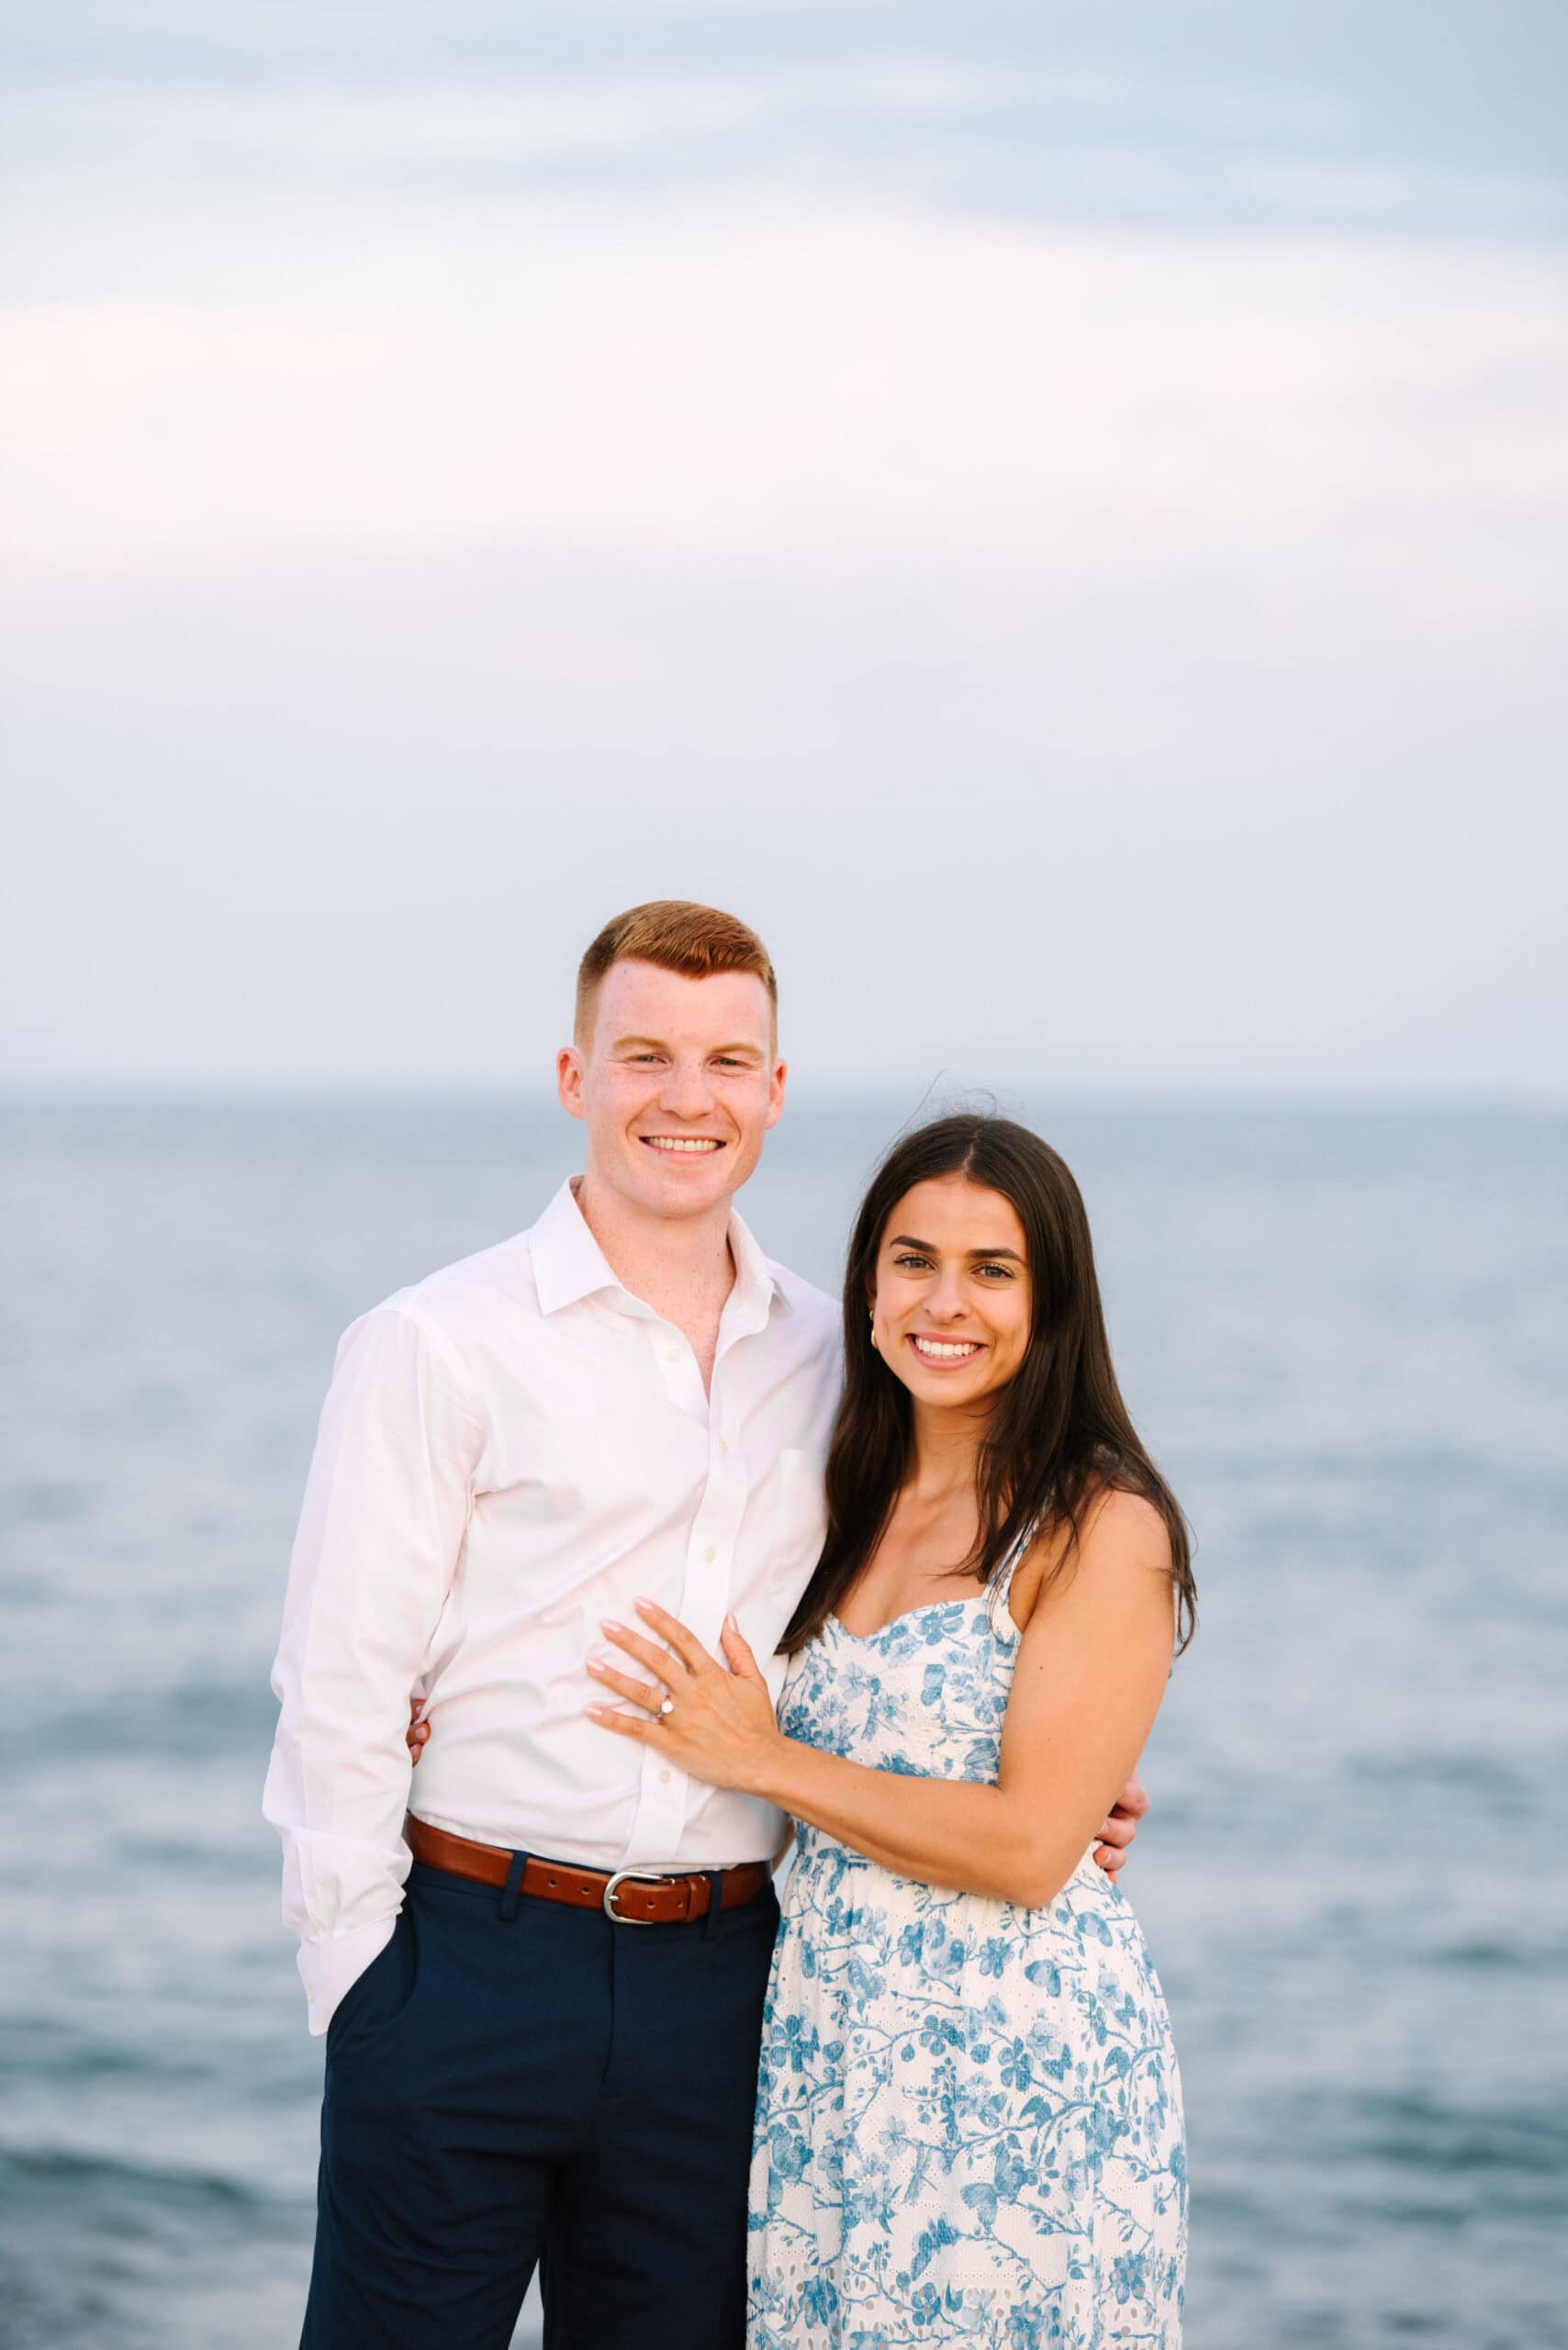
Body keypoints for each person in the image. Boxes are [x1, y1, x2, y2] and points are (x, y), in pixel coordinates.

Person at [264, 901, 1148, 2350]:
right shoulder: (440, 1341)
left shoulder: (840, 1351)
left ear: (776, 1091)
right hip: (467, 1967)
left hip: (731, 1994)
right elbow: (341, 1681)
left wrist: (1048, 1775)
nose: (690, 1097)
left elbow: (900, 1614)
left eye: (730, 1060)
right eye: (647, 1056)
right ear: (575, 1075)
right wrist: (362, 1987)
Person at [580, 1114, 1193, 2346]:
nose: (944, 1302)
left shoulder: (1097, 1521)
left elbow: (1029, 1851)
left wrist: (764, 1760)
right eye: (913, 1260)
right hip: (828, 2052)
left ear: (1052, 1300)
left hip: (1018, 2073)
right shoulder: (838, 1491)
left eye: (993, 1269)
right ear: (867, 1283)